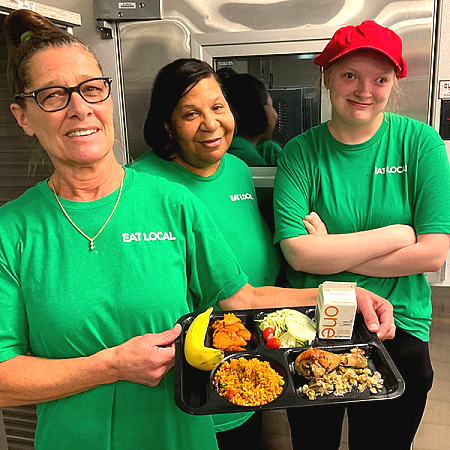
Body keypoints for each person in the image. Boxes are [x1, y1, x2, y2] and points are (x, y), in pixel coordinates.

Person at [0, 12, 394, 450]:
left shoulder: (172, 203)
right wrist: (110, 365)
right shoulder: (12, 231)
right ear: (24, 117)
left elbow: (241, 298)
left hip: (180, 436)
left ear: (107, 98)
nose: (80, 108)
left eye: (91, 89)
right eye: (53, 96)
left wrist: (345, 292)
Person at [273, 20, 450, 449]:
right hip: (315, 317)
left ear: (394, 83)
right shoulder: (300, 152)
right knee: (314, 442)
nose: (364, 90)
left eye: (380, 79)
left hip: (400, 325)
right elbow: (298, 255)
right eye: (350, 75)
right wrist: (397, 233)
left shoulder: (420, 144)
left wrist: (330, 249)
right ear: (327, 77)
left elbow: (433, 254)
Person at [131, 58, 282, 448]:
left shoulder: (236, 168)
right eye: (190, 113)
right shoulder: (141, 185)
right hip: (188, 368)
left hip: (250, 347)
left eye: (218, 107)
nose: (211, 124)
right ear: (167, 124)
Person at [217, 70, 281, 166]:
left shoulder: (232, 144)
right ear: (262, 112)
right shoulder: (247, 158)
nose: (275, 114)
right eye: (270, 105)